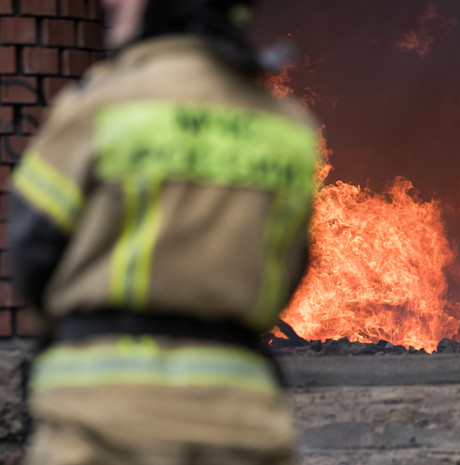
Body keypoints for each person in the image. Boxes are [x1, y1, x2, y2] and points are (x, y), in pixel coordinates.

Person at [10, 0, 319, 463]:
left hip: (101, 424)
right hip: (240, 423)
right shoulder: (288, 128)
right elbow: (290, 266)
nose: (111, 2)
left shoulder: (100, 106)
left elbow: (33, 252)